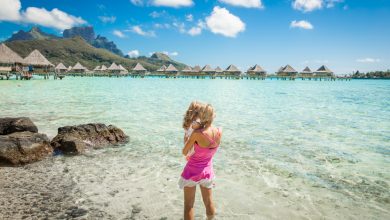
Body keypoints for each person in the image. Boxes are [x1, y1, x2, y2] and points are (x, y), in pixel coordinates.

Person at [179, 103, 222, 220]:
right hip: (207, 171)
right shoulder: (218, 131)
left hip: (191, 171)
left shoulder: (197, 134)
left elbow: (185, 151)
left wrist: (187, 138)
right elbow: (209, 150)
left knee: (188, 206)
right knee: (208, 202)